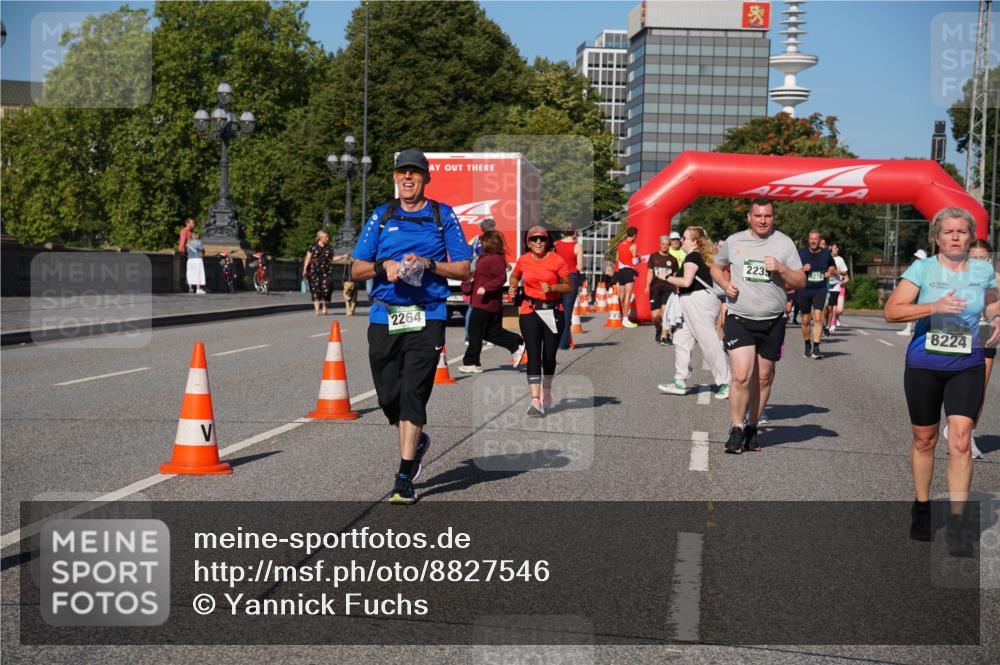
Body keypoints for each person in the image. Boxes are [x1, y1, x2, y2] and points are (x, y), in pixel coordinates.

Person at [351, 149, 472, 505]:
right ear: (394, 177)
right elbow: (357, 267)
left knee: (414, 392)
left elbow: (463, 268)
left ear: (425, 178)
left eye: (415, 173)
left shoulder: (441, 215)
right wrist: (382, 265)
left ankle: (404, 474)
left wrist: (430, 264)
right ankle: (417, 441)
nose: (408, 178)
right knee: (389, 394)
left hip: (427, 314)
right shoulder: (382, 215)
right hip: (384, 314)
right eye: (402, 172)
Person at [884, 208, 999, 550]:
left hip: (968, 362)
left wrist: (996, 318)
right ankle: (922, 508)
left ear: (970, 236)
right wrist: (933, 306)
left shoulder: (983, 270)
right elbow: (892, 311)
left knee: (961, 440)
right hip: (924, 363)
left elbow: (992, 303)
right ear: (936, 237)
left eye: (961, 232)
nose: (954, 236)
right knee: (925, 440)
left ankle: (959, 521)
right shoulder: (922, 269)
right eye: (947, 232)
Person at [711, 198, 805, 454]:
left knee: (763, 378)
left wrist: (782, 268)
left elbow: (800, 281)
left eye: (768, 216)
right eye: (758, 216)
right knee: (741, 376)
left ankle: (753, 425)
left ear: (773, 217)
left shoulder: (784, 243)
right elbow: (716, 267)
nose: (763, 220)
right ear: (749, 217)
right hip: (740, 318)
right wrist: (724, 284)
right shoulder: (735, 241)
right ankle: (737, 427)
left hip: (772, 321)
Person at [507, 226, 573, 417]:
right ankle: (535, 400)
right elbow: (515, 275)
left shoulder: (556, 260)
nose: (538, 242)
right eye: (533, 239)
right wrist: (513, 286)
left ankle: (546, 390)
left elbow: (569, 286)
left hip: (553, 312)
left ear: (547, 241)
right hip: (530, 311)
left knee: (549, 357)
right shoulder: (524, 259)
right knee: (533, 354)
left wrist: (553, 286)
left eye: (541, 239)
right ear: (528, 242)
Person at [660, 227, 731, 399]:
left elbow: (686, 281)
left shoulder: (692, 256)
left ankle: (726, 382)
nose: (681, 241)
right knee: (681, 339)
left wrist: (666, 277)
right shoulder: (699, 257)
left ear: (695, 242)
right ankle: (679, 380)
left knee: (709, 342)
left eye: (685, 238)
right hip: (693, 301)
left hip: (697, 301)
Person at [459, 231, 526, 373]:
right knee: (490, 332)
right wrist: (467, 284)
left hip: (486, 303)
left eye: (483, 241)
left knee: (474, 331)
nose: (480, 243)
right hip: (480, 301)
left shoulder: (495, 258)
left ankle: (471, 362)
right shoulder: (482, 258)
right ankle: (516, 343)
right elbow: (475, 278)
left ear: (489, 242)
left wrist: (485, 287)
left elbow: (501, 278)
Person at [796, 230, 837, 359]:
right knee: (805, 320)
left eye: (815, 239)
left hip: (820, 289)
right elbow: (791, 269)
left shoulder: (826, 253)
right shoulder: (801, 253)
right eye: (811, 239)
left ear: (820, 241)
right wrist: (802, 269)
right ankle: (807, 344)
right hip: (804, 289)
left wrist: (829, 272)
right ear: (808, 240)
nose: (813, 241)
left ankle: (817, 347)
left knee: (818, 317)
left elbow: (832, 266)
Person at [464, 218, 497, 345]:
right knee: (489, 306)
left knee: (473, 306)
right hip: (489, 275)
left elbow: (468, 255)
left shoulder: (475, 239)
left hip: (475, 274)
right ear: (492, 227)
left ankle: (468, 337)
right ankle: (488, 336)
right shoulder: (494, 240)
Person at [645, 235, 681, 345]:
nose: (664, 246)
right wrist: (647, 286)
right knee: (655, 317)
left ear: (669, 246)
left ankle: (665, 336)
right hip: (655, 289)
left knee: (665, 313)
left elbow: (675, 276)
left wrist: (677, 288)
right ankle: (659, 329)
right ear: (659, 244)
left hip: (668, 289)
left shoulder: (673, 260)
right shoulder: (653, 257)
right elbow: (650, 272)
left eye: (667, 244)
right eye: (663, 244)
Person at [303, 230, 348, 315]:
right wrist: (305, 269)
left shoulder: (329, 248)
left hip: (326, 271)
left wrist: (342, 257)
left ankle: (324, 307)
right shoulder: (312, 247)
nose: (328, 238)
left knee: (326, 289)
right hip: (314, 271)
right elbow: (308, 258)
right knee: (315, 290)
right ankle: (316, 310)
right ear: (320, 238)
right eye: (326, 237)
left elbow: (333, 258)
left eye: (327, 237)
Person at [555, 223, 584, 349]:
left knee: (555, 310)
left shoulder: (556, 244)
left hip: (556, 278)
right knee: (567, 311)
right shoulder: (577, 246)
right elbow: (579, 267)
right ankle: (563, 343)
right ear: (574, 233)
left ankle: (552, 340)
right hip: (571, 278)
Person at [898, 249, 929, 336]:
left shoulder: (918, 266)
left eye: (916, 257)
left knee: (914, 310)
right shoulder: (927, 266)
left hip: (918, 290)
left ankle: (909, 329)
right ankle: (915, 329)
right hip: (923, 291)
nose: (915, 259)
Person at [615, 226, 640, 328]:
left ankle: (621, 316)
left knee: (621, 295)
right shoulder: (633, 245)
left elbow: (617, 258)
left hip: (620, 271)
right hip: (629, 271)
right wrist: (639, 258)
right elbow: (634, 261)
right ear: (634, 235)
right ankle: (625, 318)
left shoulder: (620, 244)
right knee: (628, 296)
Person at [825, 241, 850, 334]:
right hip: (825, 285)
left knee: (833, 308)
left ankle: (831, 324)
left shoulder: (840, 259)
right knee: (826, 308)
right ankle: (825, 323)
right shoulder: (825, 257)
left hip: (836, 285)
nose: (837, 250)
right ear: (830, 248)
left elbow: (845, 273)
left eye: (837, 248)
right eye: (835, 248)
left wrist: (837, 272)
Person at [185, 230, 206, 294]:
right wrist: (203, 253)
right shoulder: (198, 242)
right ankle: (198, 289)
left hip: (190, 260)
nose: (198, 236)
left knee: (190, 273)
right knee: (198, 274)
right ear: (195, 235)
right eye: (197, 235)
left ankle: (190, 288)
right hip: (197, 259)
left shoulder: (188, 243)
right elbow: (202, 250)